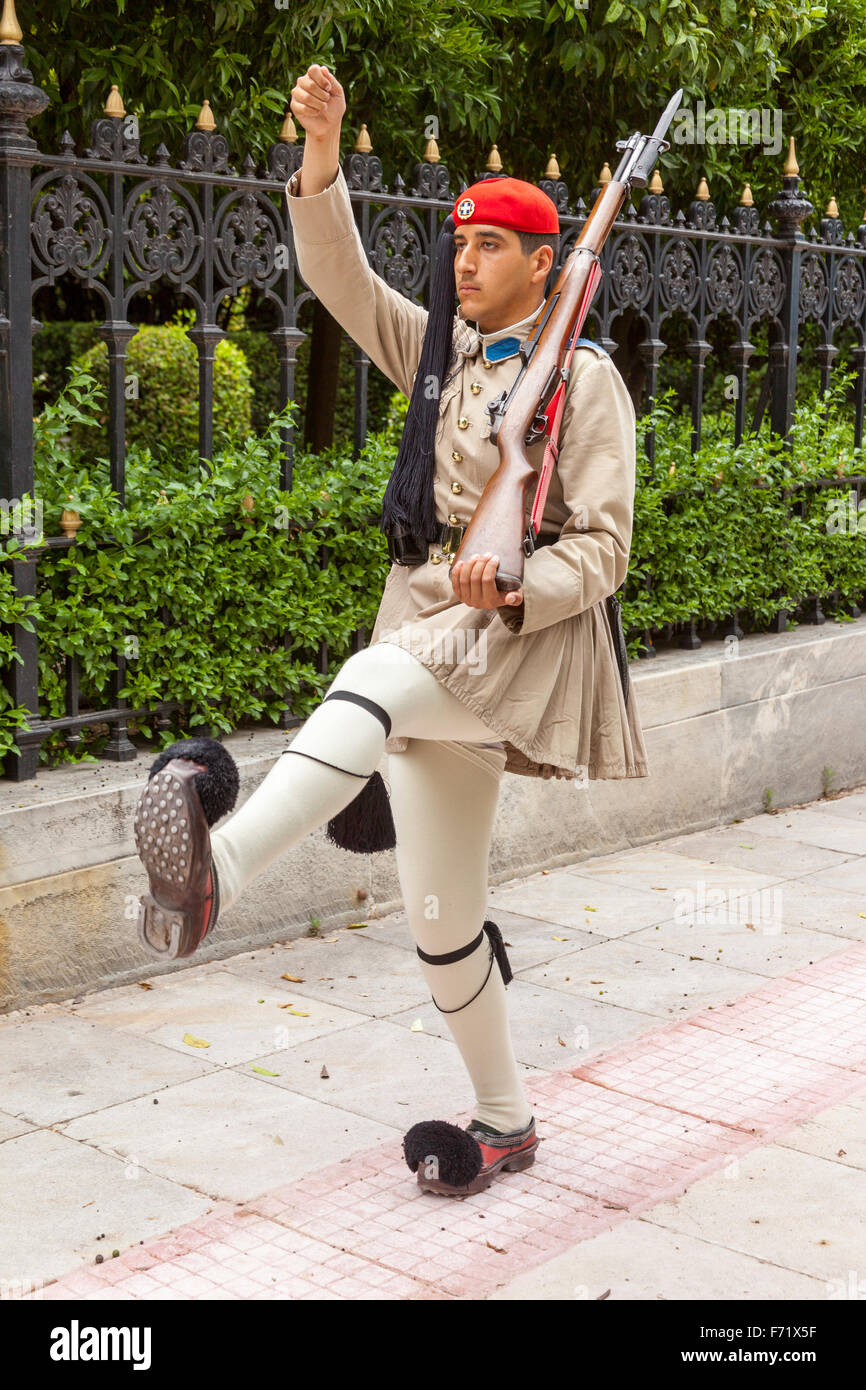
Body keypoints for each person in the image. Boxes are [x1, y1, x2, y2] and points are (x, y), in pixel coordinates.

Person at [132, 63, 649, 1198]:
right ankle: (505, 1124)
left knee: (373, 675)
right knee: (436, 916)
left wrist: (509, 582)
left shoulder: (586, 382)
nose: (463, 264)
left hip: (513, 648)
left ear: (543, 266)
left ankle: (213, 870)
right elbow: (337, 274)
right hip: (431, 634)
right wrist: (318, 149)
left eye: (489, 249)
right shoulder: (439, 355)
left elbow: (601, 552)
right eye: (458, 246)